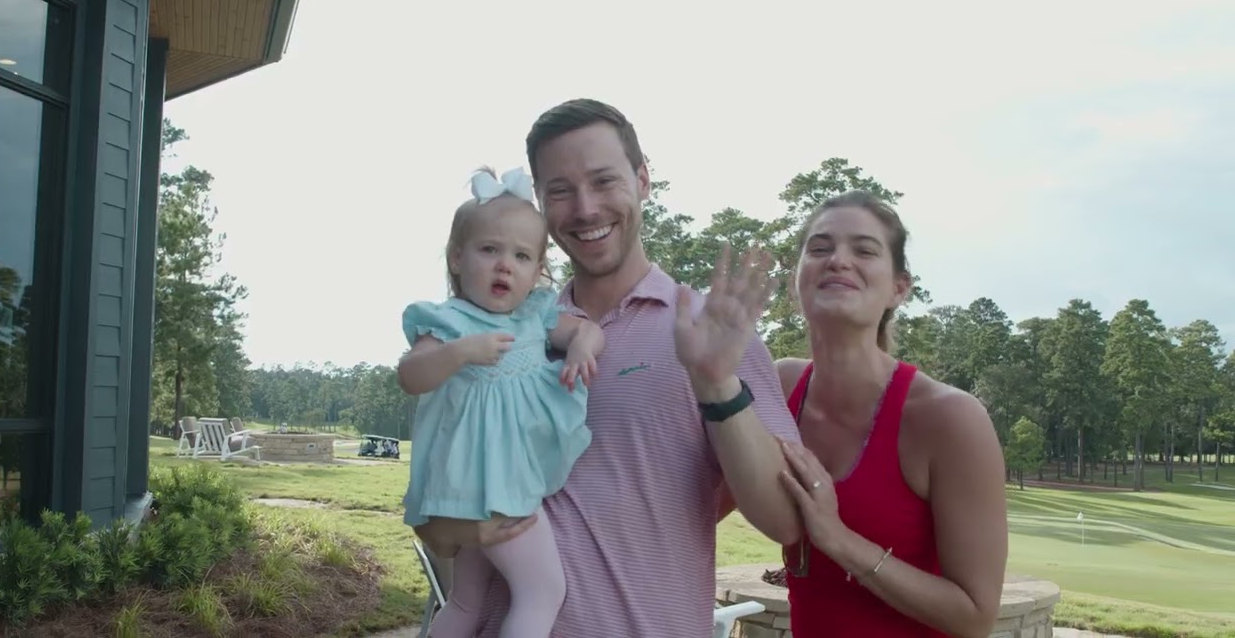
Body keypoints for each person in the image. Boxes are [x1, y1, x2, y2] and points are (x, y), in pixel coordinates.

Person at [411, 99, 802, 636]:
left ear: (643, 179)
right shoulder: (506, 329)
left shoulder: (709, 331)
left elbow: (783, 520)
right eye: (560, 190)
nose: (586, 208)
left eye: (603, 181)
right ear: (540, 206)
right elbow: (441, 523)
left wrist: (715, 382)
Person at [770, 190, 1009, 637]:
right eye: (820, 248)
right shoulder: (779, 387)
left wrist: (838, 540)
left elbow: (975, 616)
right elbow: (699, 502)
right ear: (795, 280)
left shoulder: (949, 420)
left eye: (864, 250)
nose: (838, 260)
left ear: (899, 288)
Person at [398, 167, 606, 638]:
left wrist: (580, 347)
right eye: (489, 249)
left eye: (521, 255)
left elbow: (590, 331)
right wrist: (459, 353)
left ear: (537, 270)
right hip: (496, 486)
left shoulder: (534, 318)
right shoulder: (449, 322)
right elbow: (411, 375)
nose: (504, 265)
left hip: (477, 491)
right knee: (543, 591)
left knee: (467, 603)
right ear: (456, 257)